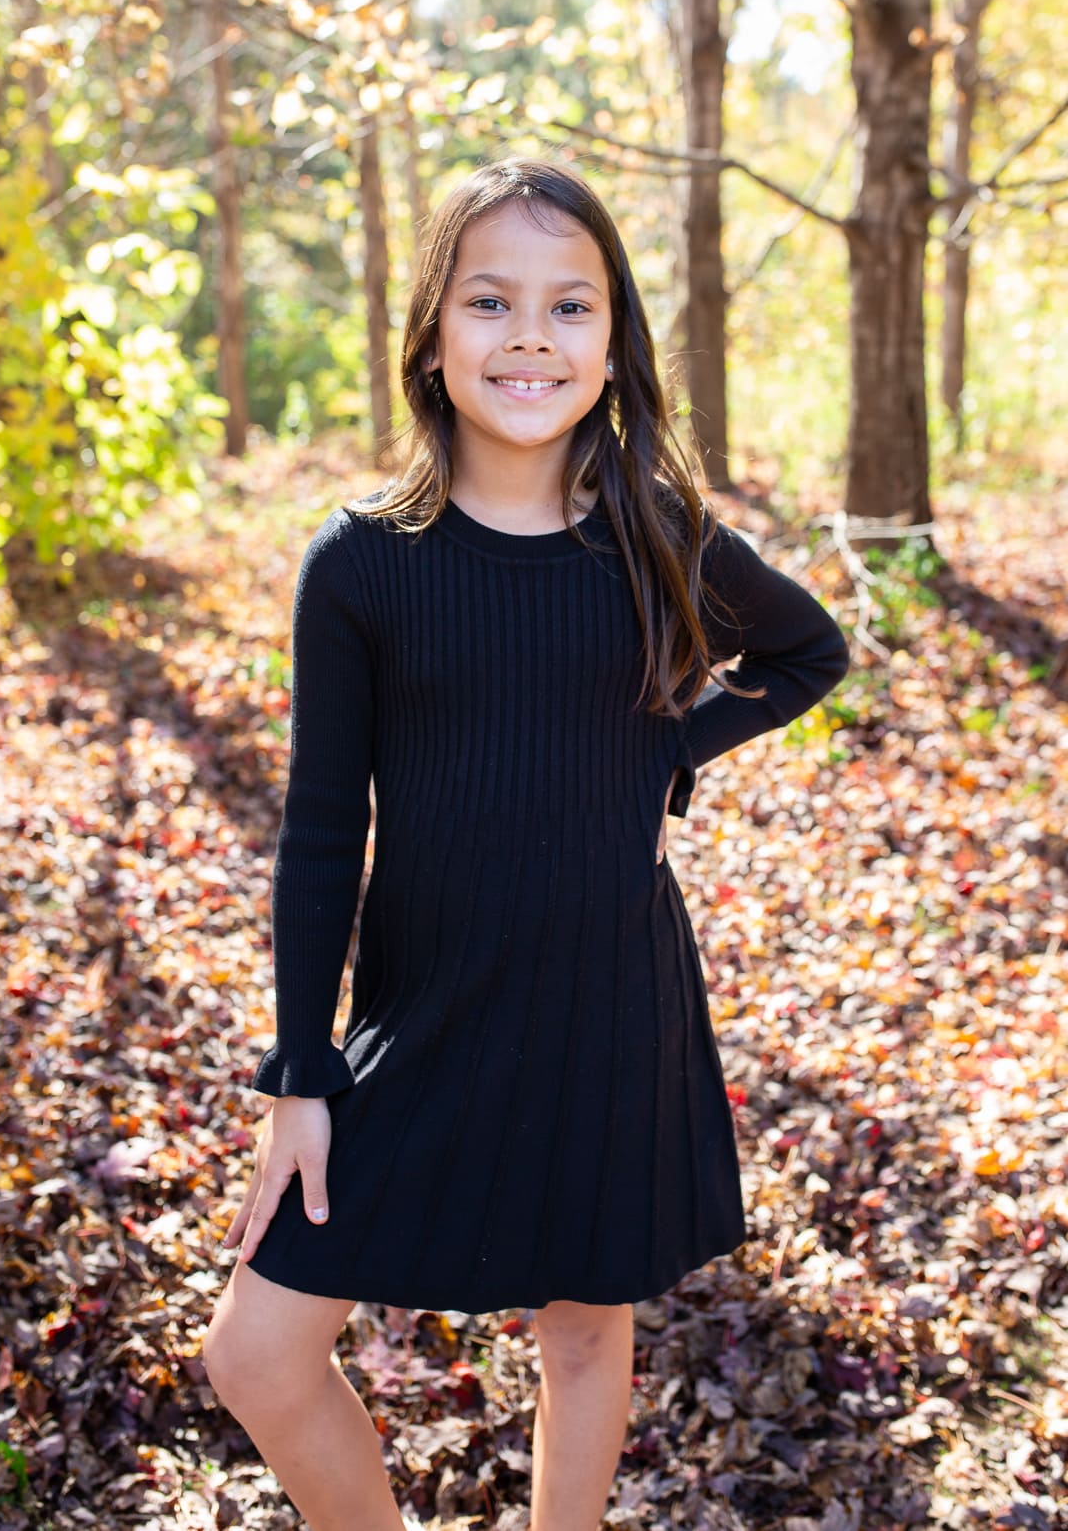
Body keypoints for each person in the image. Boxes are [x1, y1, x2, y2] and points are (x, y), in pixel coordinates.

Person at [201, 157, 850, 1531]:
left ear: (613, 347)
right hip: (425, 1008)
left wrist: (670, 743)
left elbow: (807, 650)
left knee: (579, 1328)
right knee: (253, 1353)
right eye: (491, 302)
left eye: (571, 308)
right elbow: (323, 828)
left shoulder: (653, 536)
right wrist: (299, 1070)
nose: (529, 338)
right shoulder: (364, 562)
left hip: (606, 998)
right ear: (434, 333)